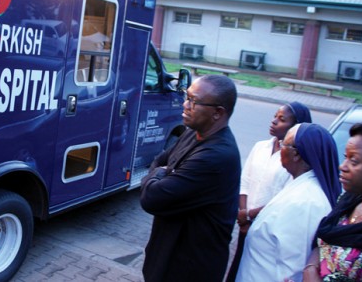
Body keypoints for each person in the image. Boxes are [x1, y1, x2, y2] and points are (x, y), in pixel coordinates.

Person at [140, 74, 241, 282]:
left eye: (194, 101)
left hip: (189, 268)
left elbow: (152, 198)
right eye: (187, 97)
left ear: (217, 113)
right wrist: (162, 172)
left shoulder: (216, 156)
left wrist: (160, 174)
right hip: (164, 258)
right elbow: (159, 160)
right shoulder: (192, 132)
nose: (185, 105)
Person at [236, 123, 342, 282]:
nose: (279, 148)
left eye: (284, 144)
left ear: (296, 154)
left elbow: (292, 270)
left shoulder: (305, 202)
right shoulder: (300, 187)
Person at [226, 102, 312, 281]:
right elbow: (245, 182)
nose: (273, 122)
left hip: (267, 227)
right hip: (245, 224)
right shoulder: (260, 147)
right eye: (274, 116)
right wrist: (243, 215)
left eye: (281, 119)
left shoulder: (295, 159)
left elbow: (284, 197)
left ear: (295, 126)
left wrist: (250, 215)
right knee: (238, 268)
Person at [303, 121, 362, 282]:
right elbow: (324, 240)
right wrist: (310, 270)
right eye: (346, 157)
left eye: (354, 161)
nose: (342, 166)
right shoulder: (347, 201)